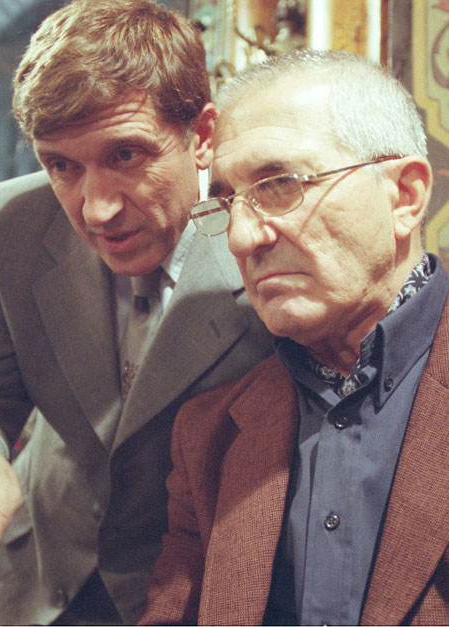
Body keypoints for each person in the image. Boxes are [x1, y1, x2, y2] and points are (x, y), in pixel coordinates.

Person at [0, 1, 272, 625]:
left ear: (202, 136)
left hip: (190, 593)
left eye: (126, 155)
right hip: (26, 580)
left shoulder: (267, 237)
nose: (96, 210)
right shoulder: (6, 224)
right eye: (60, 165)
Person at [140, 50, 449, 626]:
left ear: (404, 196)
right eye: (228, 202)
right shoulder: (208, 434)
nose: (241, 238)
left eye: (281, 184)